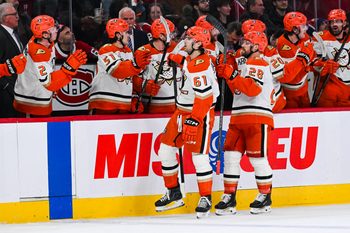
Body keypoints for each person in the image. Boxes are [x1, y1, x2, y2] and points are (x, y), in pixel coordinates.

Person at [155, 26, 219, 218]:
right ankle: (173, 191)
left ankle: (206, 197)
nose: (185, 42)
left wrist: (195, 120)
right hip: (181, 111)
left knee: (199, 157)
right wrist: (180, 59)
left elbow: (205, 97)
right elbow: (189, 67)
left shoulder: (199, 65)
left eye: (189, 39)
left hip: (198, 113)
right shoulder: (192, 60)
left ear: (198, 43)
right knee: (165, 150)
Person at [214, 31, 275, 215]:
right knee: (231, 158)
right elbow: (239, 90)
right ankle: (229, 196)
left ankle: (265, 195)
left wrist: (231, 76)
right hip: (239, 117)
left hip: (257, 118)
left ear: (256, 47)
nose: (243, 46)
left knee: (257, 159)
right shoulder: (247, 64)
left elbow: (252, 89)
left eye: (247, 43)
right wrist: (228, 76)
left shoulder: (259, 63)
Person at [13, 15, 87, 116]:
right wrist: (69, 67)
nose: (57, 30)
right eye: (53, 28)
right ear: (45, 34)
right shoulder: (38, 53)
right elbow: (49, 83)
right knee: (37, 130)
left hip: (34, 94)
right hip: (32, 101)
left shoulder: (43, 41)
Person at [88, 18, 157, 114]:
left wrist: (144, 87)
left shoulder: (128, 51)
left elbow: (132, 78)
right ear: (118, 35)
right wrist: (136, 64)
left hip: (123, 104)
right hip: (104, 103)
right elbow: (117, 71)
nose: (129, 35)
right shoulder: (106, 49)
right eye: (126, 32)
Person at [135, 18, 181, 114]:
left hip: (176, 106)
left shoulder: (177, 49)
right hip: (151, 107)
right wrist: (147, 86)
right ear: (161, 36)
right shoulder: (142, 52)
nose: (173, 36)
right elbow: (135, 79)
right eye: (170, 33)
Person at [312, 9, 349, 107]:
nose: (334, 24)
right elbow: (313, 61)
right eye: (332, 22)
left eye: (337, 21)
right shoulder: (321, 38)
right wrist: (324, 64)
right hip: (331, 86)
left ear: (344, 23)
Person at [276, 11, 313, 108]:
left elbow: (311, 58)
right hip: (289, 93)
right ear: (295, 30)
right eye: (303, 26)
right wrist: (305, 58)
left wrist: (320, 63)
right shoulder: (282, 46)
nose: (306, 29)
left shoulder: (304, 37)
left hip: (304, 90)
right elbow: (291, 75)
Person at [0, 2, 23, 117]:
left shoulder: (14, 33)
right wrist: (7, 86)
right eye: (14, 14)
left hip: (17, 91)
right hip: (5, 94)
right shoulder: (1, 35)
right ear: (5, 18)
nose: (17, 17)